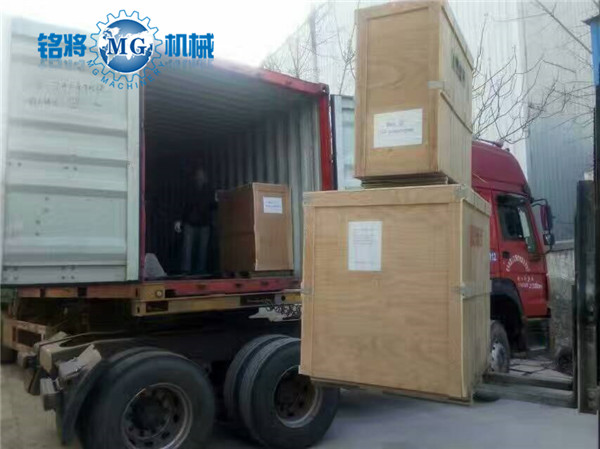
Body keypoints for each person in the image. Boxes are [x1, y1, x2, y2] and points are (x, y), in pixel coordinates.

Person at [174, 167, 214, 275]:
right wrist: (178, 220)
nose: (200, 177)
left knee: (203, 249)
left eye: (202, 175)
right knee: (187, 248)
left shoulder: (210, 190)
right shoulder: (189, 189)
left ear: (205, 178)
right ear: (195, 177)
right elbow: (182, 204)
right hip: (190, 222)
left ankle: (200, 271)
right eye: (198, 175)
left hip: (204, 223)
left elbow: (213, 206)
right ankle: (185, 270)